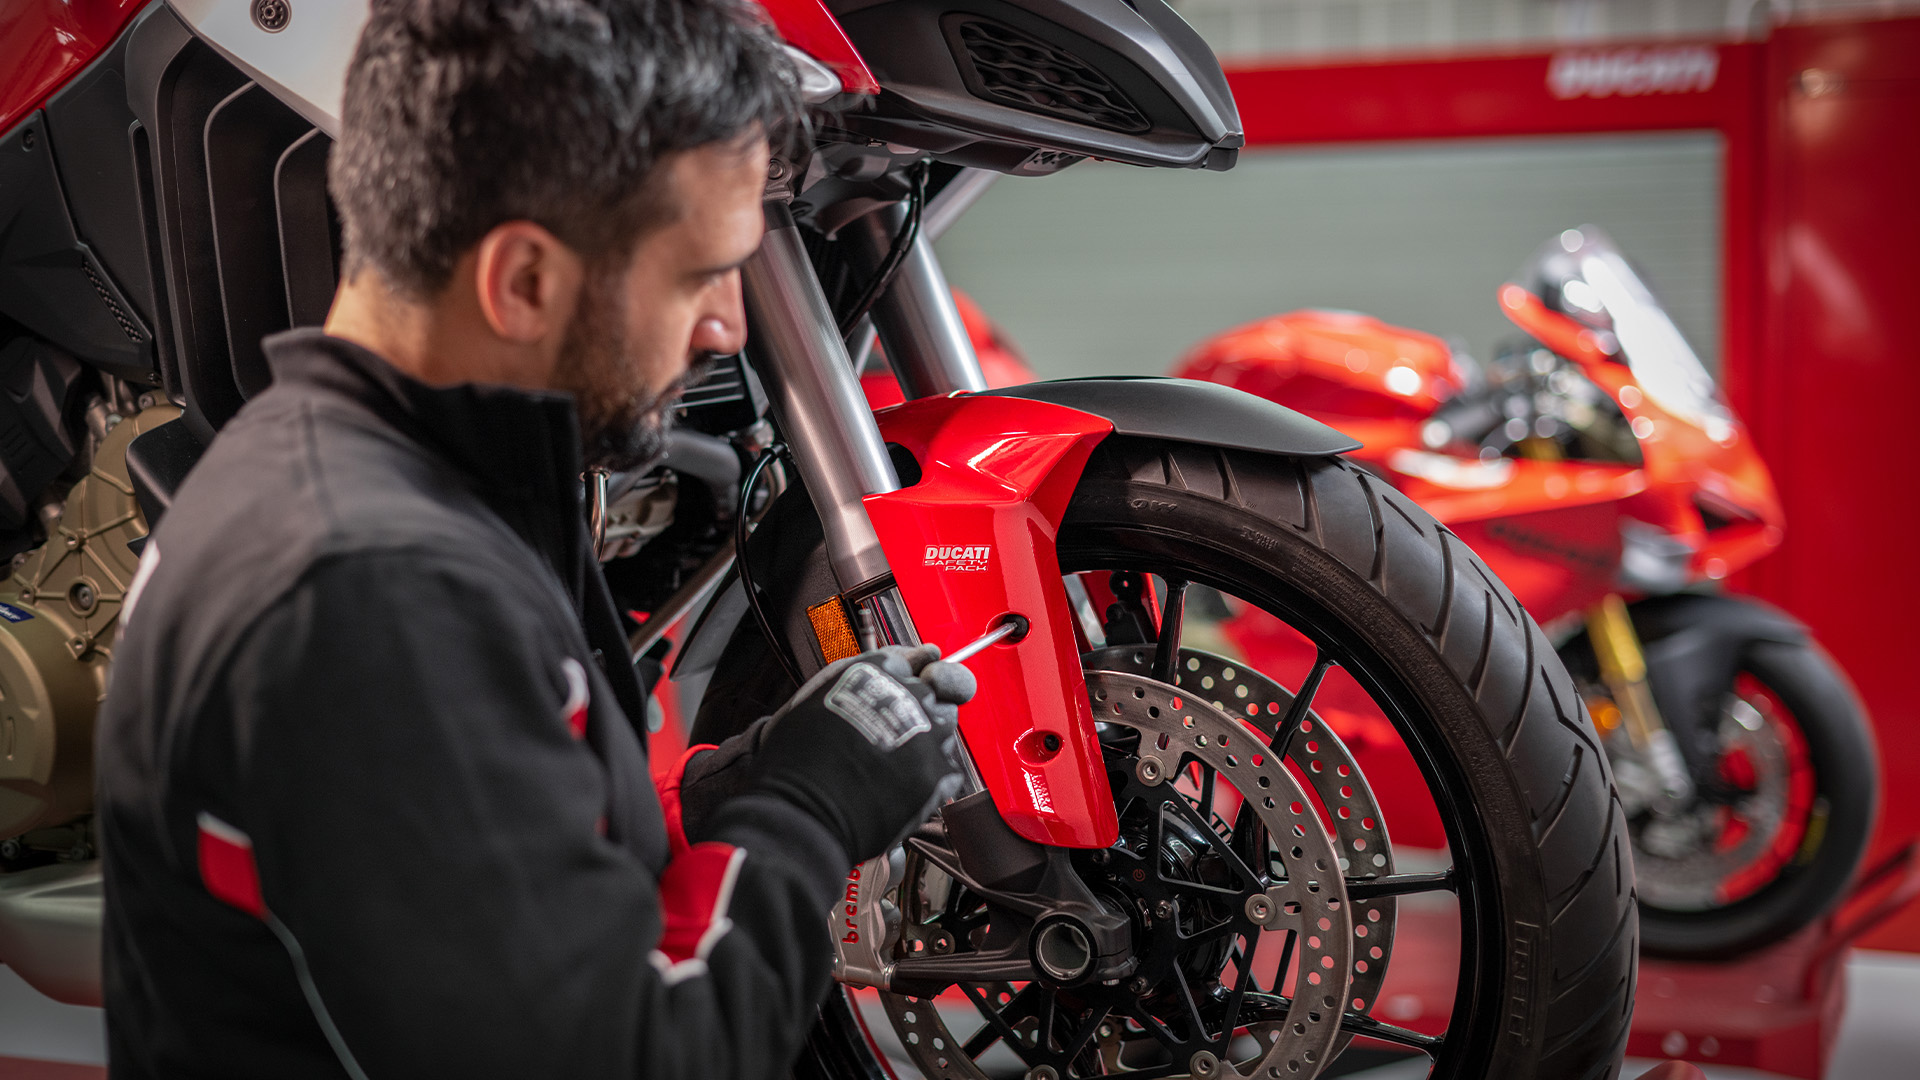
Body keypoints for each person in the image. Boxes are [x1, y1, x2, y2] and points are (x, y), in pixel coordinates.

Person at [93, 1, 970, 1077]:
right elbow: (636, 1054)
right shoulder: (367, 593)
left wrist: (748, 784)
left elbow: (489, 865)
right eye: (697, 275)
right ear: (521, 282)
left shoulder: (390, 482)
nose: (728, 328)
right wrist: (811, 809)